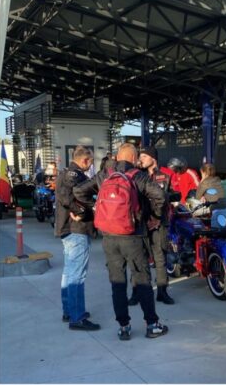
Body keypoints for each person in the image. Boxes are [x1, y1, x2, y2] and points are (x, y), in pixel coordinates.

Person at [74, 143, 169, 340]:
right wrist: (154, 217)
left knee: (117, 283)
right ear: (134, 159)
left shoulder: (104, 175)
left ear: (117, 157)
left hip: (109, 237)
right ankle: (152, 324)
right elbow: (160, 195)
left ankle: (124, 327)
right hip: (134, 236)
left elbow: (79, 191)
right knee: (142, 280)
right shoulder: (138, 176)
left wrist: (97, 207)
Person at [55, 145, 100, 331]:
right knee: (76, 275)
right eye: (90, 161)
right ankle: (77, 317)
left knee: (69, 272)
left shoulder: (66, 173)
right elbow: (67, 197)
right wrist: (80, 211)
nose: (90, 165)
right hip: (76, 230)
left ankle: (69, 310)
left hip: (68, 229)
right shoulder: (74, 175)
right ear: (85, 160)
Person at [136, 146, 175, 305]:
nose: (141, 159)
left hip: (159, 223)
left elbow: (165, 199)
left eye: (144, 156)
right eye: (140, 156)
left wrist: (158, 219)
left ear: (153, 158)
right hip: (141, 223)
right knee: (139, 259)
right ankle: (136, 292)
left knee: (160, 258)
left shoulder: (165, 176)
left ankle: (162, 291)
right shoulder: (137, 176)